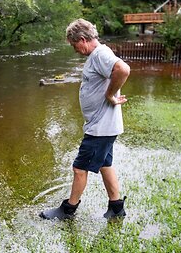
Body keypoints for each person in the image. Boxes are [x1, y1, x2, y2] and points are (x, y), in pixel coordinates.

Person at [40, 19, 130, 220]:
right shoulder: (98, 55)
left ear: (82, 39)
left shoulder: (100, 54)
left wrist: (110, 94)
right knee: (105, 164)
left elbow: (123, 69)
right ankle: (116, 208)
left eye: (74, 45)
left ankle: (68, 210)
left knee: (79, 168)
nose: (75, 50)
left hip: (100, 128)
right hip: (103, 126)